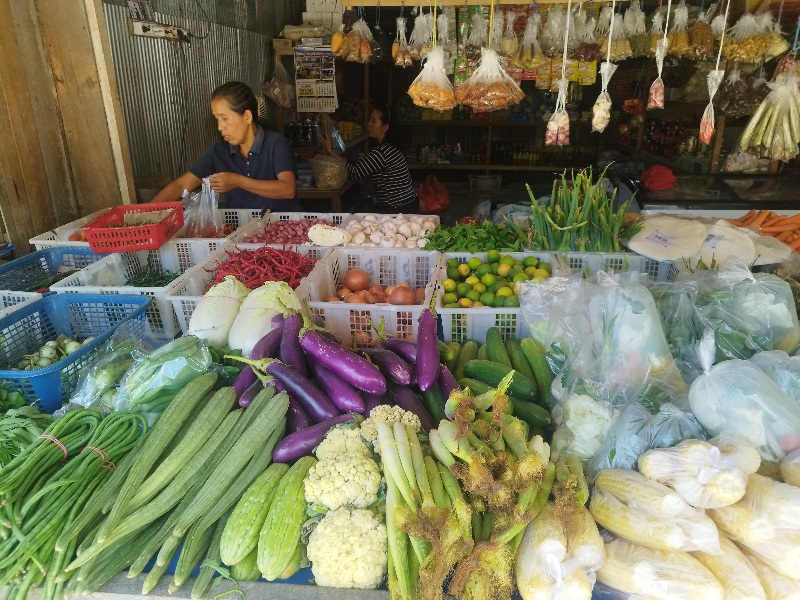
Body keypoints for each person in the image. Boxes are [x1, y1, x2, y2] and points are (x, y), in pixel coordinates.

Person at [151, 81, 299, 211]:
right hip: (242, 231)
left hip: (282, 229)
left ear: (247, 116)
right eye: (217, 119)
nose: (220, 127)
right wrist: (143, 215)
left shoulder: (276, 143)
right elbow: (181, 185)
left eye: (225, 118)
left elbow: (288, 189)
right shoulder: (220, 151)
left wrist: (239, 181)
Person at [320, 104, 418, 213]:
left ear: (384, 128)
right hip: (407, 203)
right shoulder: (391, 147)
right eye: (370, 120)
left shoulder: (382, 153)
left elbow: (354, 172)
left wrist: (329, 150)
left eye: (373, 121)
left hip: (398, 208)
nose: (369, 124)